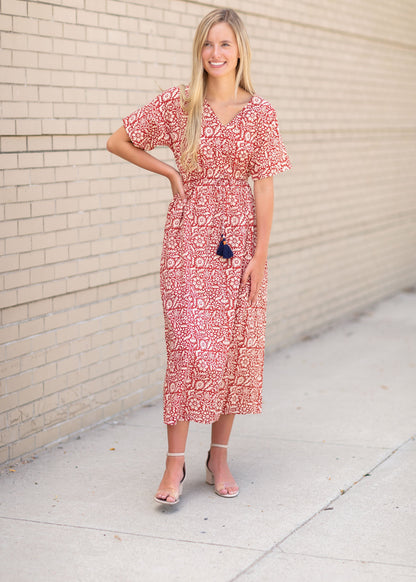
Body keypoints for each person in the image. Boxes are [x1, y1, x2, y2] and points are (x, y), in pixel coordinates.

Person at [107, 8, 291, 505]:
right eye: (208, 44)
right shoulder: (180, 103)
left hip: (240, 242)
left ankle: (219, 457)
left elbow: (266, 187)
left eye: (225, 44)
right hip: (188, 237)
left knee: (232, 350)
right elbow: (118, 140)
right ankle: (174, 466)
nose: (215, 53)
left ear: (240, 50)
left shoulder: (261, 113)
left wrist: (261, 255)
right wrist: (169, 172)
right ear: (199, 50)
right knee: (191, 349)